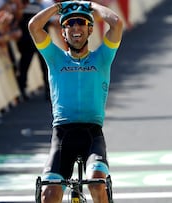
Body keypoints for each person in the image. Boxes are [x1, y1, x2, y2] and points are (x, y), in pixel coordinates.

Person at [28, 1, 123, 202]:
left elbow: (116, 23)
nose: (75, 27)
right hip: (62, 134)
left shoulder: (102, 57)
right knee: (49, 193)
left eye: (81, 22)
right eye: (69, 24)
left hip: (92, 134)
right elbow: (34, 26)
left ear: (90, 30)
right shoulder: (55, 58)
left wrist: (89, 5)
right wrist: (59, 6)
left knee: (97, 184)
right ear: (63, 33)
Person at [17, 0, 50, 101]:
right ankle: (48, 90)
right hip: (36, 41)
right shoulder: (41, 6)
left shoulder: (42, 5)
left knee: (26, 66)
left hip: (31, 41)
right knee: (30, 66)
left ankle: (23, 89)